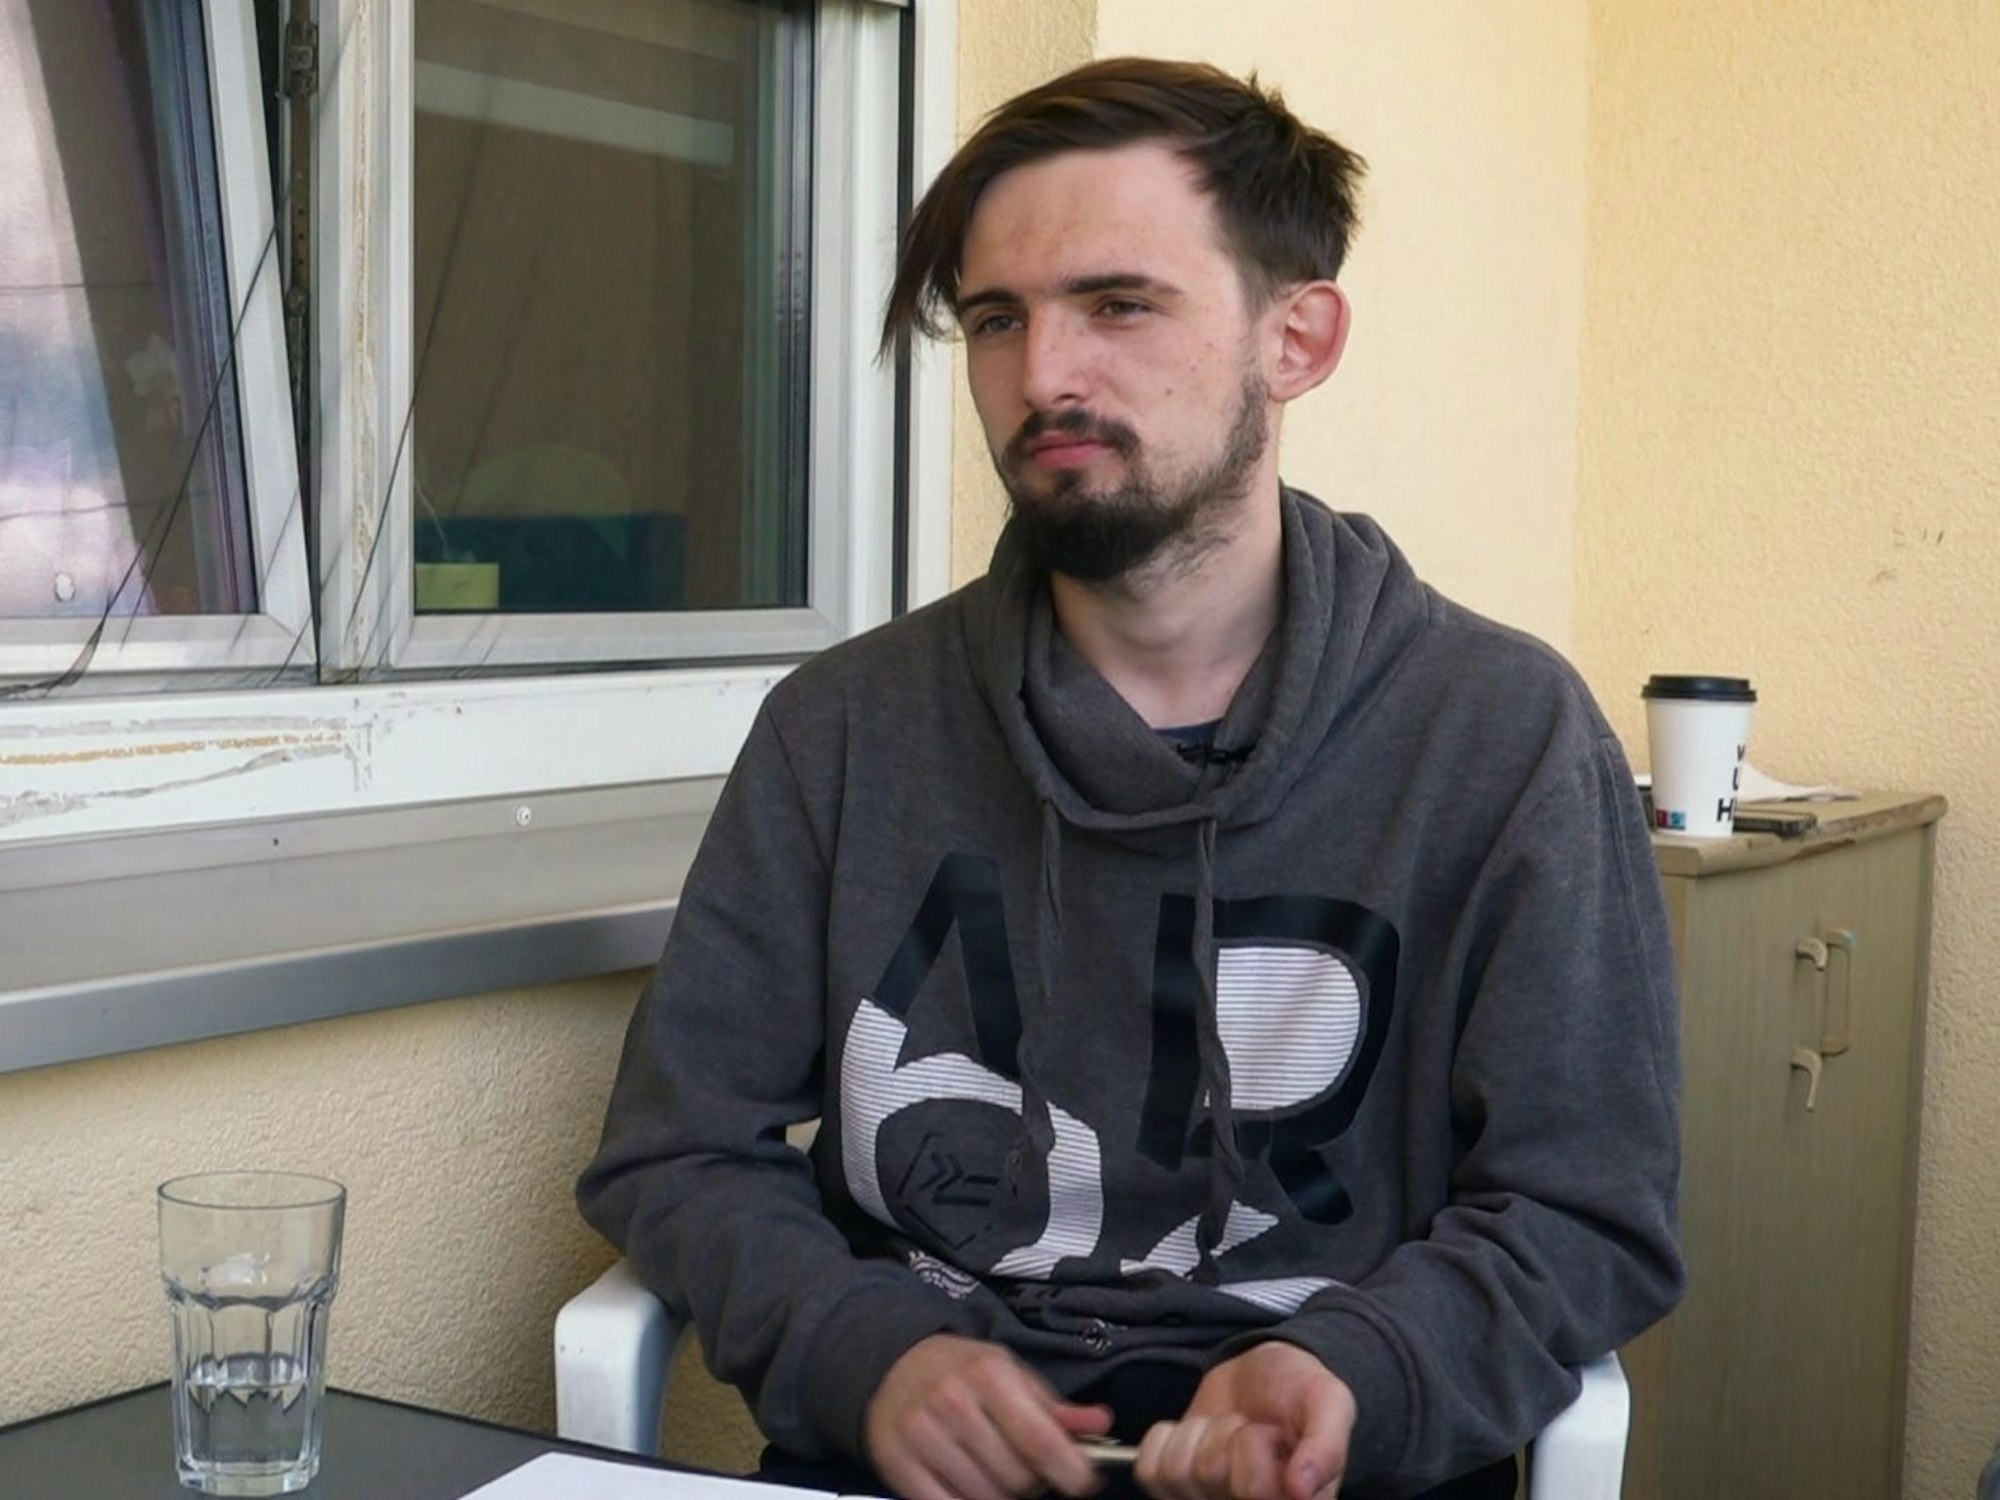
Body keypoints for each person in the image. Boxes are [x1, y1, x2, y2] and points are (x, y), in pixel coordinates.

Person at [578, 56, 1683, 1500]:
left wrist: (1360, 1369)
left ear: (1297, 339)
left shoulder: (1501, 734)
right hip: (928, 1460)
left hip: (1328, 1461)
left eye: (1118, 303)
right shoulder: (842, 729)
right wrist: (866, 1351)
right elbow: (675, 1151)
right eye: (994, 320)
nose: (1043, 377)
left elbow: (1588, 1209)